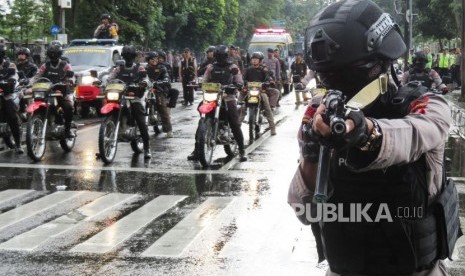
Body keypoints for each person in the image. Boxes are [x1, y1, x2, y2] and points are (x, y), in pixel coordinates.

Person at [288, 1, 459, 275]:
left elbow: (413, 136)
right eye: (327, 77)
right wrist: (312, 150)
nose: (338, 86)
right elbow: (305, 211)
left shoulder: (424, 104)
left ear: (383, 63)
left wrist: (366, 134)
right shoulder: (319, 115)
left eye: (348, 74)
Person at [188, 45, 247, 162]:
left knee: (234, 123)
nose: (220, 58)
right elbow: (204, 80)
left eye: (222, 56)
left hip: (228, 97)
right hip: (212, 97)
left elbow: (239, 81)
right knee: (201, 120)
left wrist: (237, 86)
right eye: (218, 56)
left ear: (226, 56)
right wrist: (199, 84)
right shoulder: (210, 67)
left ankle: (241, 150)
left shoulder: (233, 67)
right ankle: (197, 150)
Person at [108, 45, 151, 159]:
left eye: (130, 56)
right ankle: (106, 145)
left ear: (134, 57)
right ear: (123, 57)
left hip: (135, 97)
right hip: (121, 97)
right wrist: (103, 83)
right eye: (126, 56)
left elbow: (146, 79)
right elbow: (110, 78)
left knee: (141, 122)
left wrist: (144, 83)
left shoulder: (139, 68)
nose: (128, 58)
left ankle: (147, 147)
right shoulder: (118, 68)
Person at [32, 44, 75, 139]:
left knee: (68, 107)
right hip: (47, 91)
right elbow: (37, 76)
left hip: (62, 91)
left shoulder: (65, 65)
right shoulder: (45, 65)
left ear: (59, 54)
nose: (53, 55)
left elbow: (71, 76)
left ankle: (68, 130)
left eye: (55, 53)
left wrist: (69, 81)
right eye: (51, 53)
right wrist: (30, 83)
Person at [240, 51, 277, 135]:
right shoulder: (247, 69)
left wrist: (269, 82)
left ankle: (272, 128)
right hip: (249, 91)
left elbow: (269, 78)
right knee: (241, 107)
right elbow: (243, 79)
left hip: (261, 91)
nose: (254, 60)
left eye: (256, 59)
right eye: (253, 59)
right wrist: (243, 84)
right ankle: (236, 129)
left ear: (260, 60)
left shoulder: (264, 69)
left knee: (267, 108)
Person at [0, 45, 23, 153]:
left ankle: (18, 144)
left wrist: (10, 81)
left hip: (7, 93)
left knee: (12, 116)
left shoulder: (10, 65)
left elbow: (14, 77)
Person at [145, 51, 173, 138]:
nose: (154, 60)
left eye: (155, 59)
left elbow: (166, 77)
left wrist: (163, 81)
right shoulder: (144, 68)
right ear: (148, 60)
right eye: (152, 59)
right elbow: (138, 77)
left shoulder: (162, 68)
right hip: (146, 90)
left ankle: (169, 130)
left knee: (162, 108)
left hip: (158, 90)